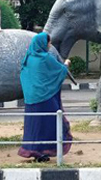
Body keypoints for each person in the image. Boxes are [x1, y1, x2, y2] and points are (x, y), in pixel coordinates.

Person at [18, 32, 73, 162]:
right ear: (43, 43)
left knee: (35, 125)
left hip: (31, 99)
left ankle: (34, 150)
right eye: (48, 42)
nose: (49, 45)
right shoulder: (45, 58)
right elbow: (58, 71)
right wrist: (66, 64)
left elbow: (25, 76)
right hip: (45, 98)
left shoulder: (28, 59)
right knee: (50, 124)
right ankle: (45, 150)